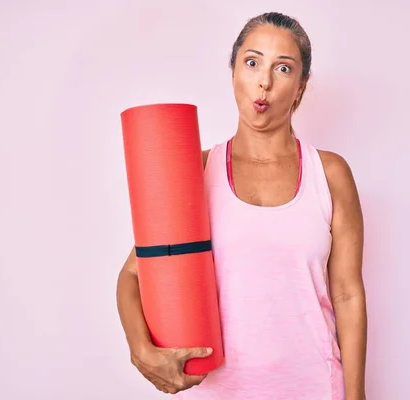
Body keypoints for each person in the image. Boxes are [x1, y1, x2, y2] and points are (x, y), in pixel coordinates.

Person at [116, 11, 367, 400]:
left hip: (315, 387)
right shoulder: (193, 170)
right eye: (252, 63)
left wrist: (356, 396)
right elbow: (134, 275)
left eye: (283, 69)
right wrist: (141, 351)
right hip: (218, 391)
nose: (264, 81)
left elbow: (348, 295)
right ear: (234, 71)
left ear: (300, 86)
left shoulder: (330, 173)